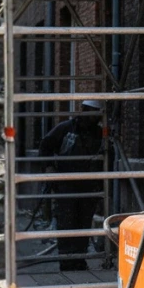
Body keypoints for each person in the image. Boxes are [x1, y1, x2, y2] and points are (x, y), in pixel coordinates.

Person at [38, 100, 103, 271]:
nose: (95, 117)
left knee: (83, 222)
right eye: (92, 113)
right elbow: (45, 146)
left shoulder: (98, 133)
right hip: (66, 184)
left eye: (97, 114)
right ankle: (67, 261)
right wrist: (49, 167)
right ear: (84, 110)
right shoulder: (65, 128)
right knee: (67, 222)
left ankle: (79, 260)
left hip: (88, 185)